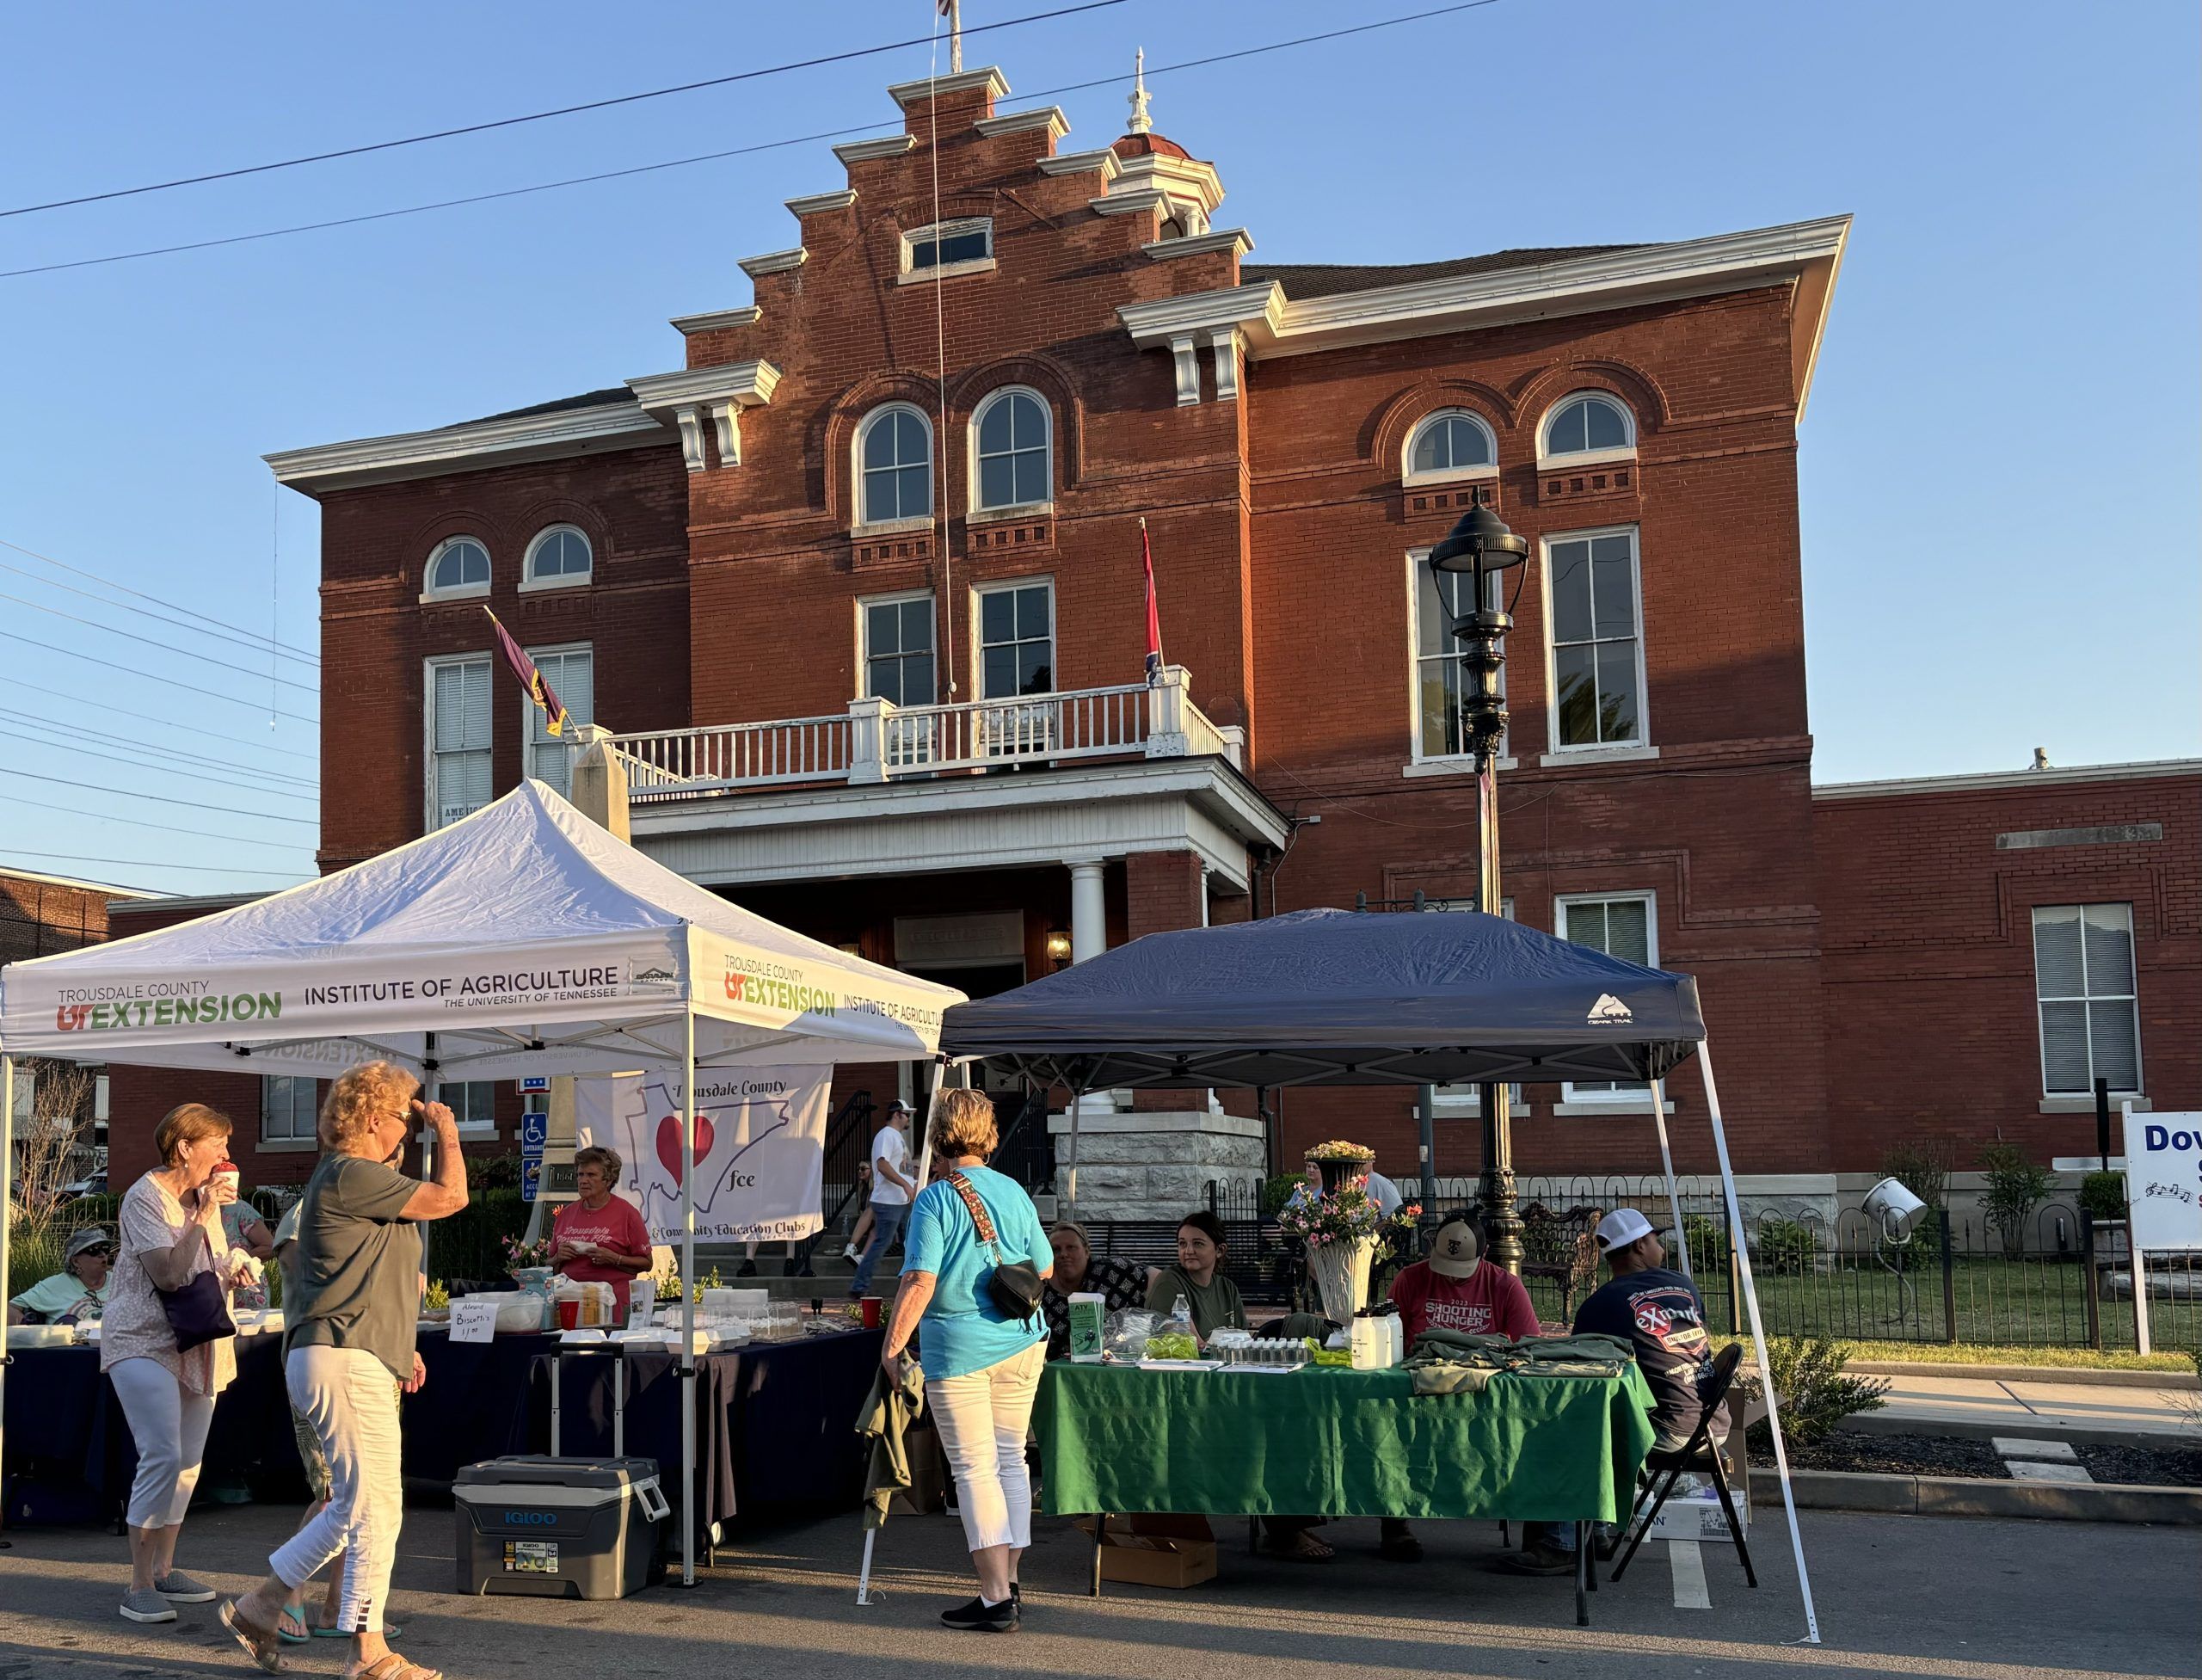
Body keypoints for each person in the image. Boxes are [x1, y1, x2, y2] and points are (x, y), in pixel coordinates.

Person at [221, 1061, 468, 1680]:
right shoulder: (351, 1173)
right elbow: (454, 1197)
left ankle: (261, 1606)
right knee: (375, 1509)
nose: (406, 1133)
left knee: (348, 1506)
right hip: (343, 1354)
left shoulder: (356, 1179)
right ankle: (368, 1653)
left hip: (346, 1351)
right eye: (399, 1118)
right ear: (368, 1119)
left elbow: (374, 1277)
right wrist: (449, 1133)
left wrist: (400, 1343)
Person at [879, 1088, 1050, 1634]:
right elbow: (1044, 1267)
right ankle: (1010, 1581)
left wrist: (892, 1345)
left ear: (938, 1135)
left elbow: (920, 1279)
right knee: (1011, 1462)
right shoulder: (1014, 1190)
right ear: (989, 1134)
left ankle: (995, 1595)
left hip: (960, 1348)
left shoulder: (935, 1198)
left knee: (975, 1468)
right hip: (1023, 1341)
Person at [1499, 1208, 1718, 1577]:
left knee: (1567, 1433)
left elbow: (1582, 1371)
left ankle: (1563, 1543)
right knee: (1602, 1424)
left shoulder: (1602, 1304)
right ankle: (1597, 1531)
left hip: (1670, 1429)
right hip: (1710, 1421)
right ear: (1637, 1247)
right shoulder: (1684, 1285)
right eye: (1654, 1240)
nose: (1659, 1247)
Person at [103, 1103, 254, 1624]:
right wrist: (201, 1212)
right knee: (163, 1454)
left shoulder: (204, 1201)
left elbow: (199, 1269)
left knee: (189, 1461)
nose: (227, 1154)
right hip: (142, 1338)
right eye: (220, 1144)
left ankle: (165, 1570)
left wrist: (234, 1269)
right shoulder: (145, 1197)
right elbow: (167, 1274)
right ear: (186, 1146)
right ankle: (138, 1583)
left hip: (196, 1341)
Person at [1378, 1212, 1539, 1562]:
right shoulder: (1410, 1279)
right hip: (1419, 1392)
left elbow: (1529, 1347)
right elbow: (1388, 1336)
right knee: (1385, 1422)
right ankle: (1394, 1522)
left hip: (1481, 1397)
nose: (1450, 1279)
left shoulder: (1505, 1286)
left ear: (1481, 1258)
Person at [549, 1146, 652, 1320]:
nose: (583, 1180)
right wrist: (559, 1257)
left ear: (608, 1180)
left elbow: (647, 1263)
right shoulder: (566, 1214)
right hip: (570, 1306)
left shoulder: (627, 1214)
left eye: (591, 1175)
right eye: (580, 1175)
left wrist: (614, 1258)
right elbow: (548, 1264)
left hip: (611, 1305)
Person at [1038, 1221, 1153, 1357]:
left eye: (1071, 1247)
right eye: (1056, 1249)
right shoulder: (1041, 1290)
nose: (1063, 1254)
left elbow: (1155, 1276)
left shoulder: (1112, 1272)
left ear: (1086, 1252)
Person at [848, 1098, 916, 1300]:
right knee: (882, 1244)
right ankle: (860, 1286)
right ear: (897, 1114)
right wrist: (905, 1184)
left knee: (909, 1243)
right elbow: (882, 1165)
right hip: (889, 1201)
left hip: (900, 1200)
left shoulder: (895, 1136)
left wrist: (910, 1185)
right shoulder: (886, 1135)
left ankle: (909, 1283)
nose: (908, 1119)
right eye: (907, 1115)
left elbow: (898, 1168)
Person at [1144, 1210, 1248, 1340]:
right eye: (1182, 1243)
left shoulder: (1228, 1288)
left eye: (1198, 1244)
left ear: (1220, 1250)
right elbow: (1190, 1344)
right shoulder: (1169, 1282)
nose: (1188, 1251)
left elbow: (1244, 1340)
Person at [9, 1225, 113, 1324]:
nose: (102, 1255)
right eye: (93, 1250)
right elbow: (9, 1309)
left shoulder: (120, 1282)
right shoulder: (55, 1285)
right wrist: (32, 1332)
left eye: (105, 1249)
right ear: (75, 1261)